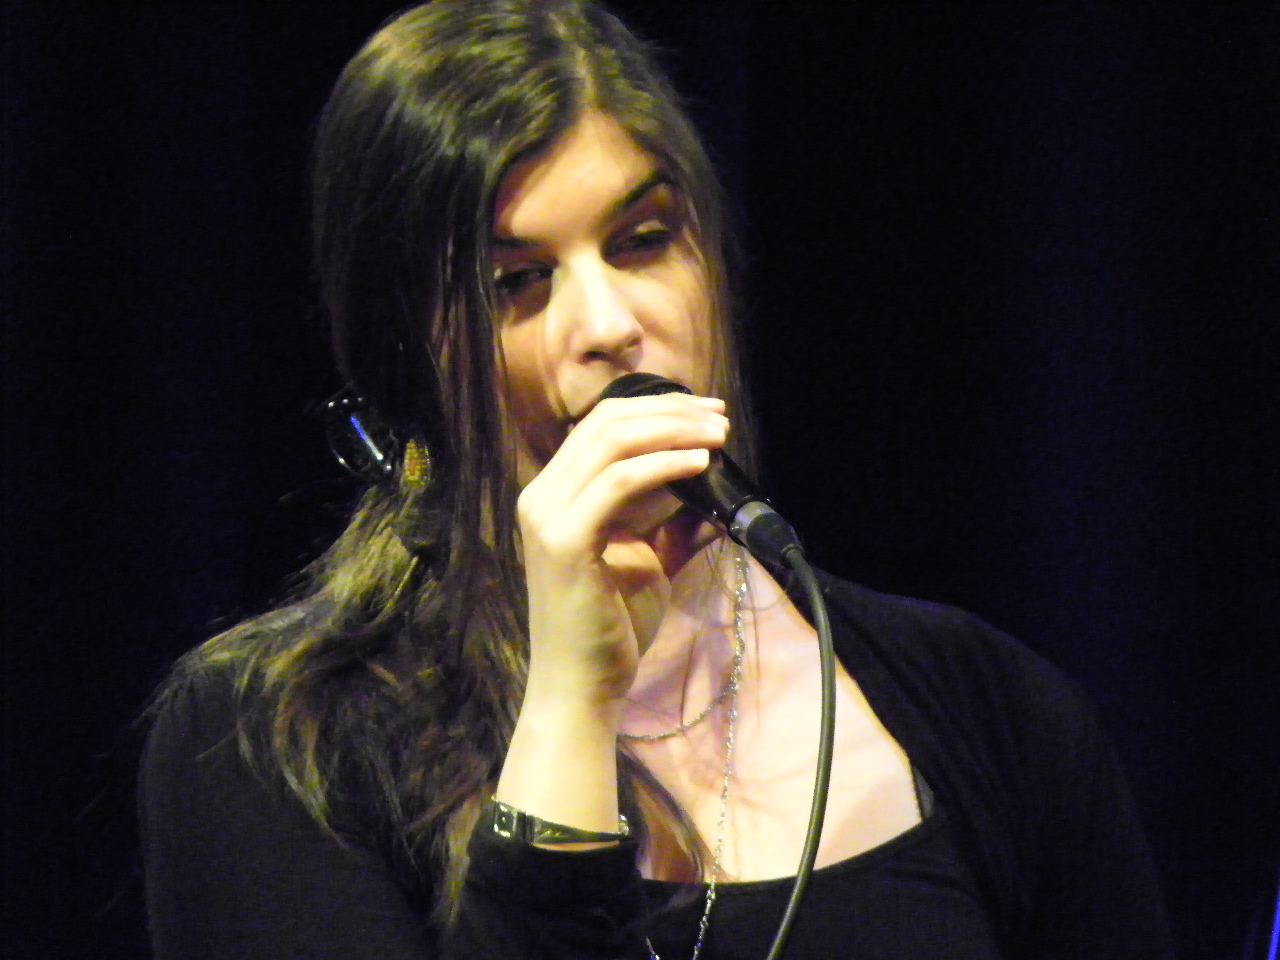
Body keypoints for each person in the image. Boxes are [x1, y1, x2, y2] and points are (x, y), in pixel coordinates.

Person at [139, 2, 1174, 957]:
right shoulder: (272, 742)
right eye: (515, 283)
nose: (609, 325)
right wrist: (570, 699)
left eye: (642, 242)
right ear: (405, 359)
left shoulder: (995, 709)